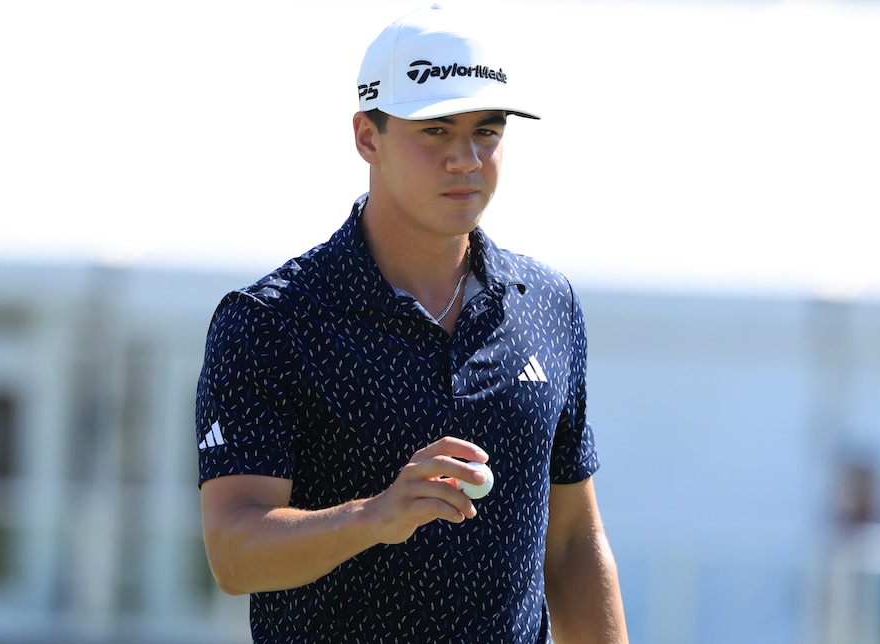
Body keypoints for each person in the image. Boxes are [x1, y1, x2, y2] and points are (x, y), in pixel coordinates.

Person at [195, 5, 628, 642]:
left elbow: (569, 543)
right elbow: (233, 551)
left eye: (487, 129)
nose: (467, 158)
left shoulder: (548, 303)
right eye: (435, 130)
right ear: (368, 137)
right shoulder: (270, 320)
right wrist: (373, 516)